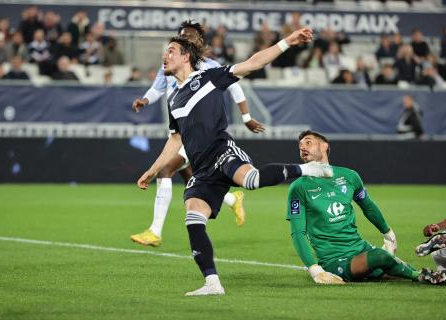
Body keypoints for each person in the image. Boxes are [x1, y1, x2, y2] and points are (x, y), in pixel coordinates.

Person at [137, 27, 334, 296]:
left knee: (251, 181)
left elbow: (254, 62)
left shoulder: (209, 77)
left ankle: (309, 169)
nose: (165, 56)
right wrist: (153, 169)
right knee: (193, 218)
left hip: (222, 152)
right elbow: (175, 140)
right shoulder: (173, 99)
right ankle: (212, 284)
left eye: (171, 51)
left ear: (185, 57)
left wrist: (287, 41)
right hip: (202, 170)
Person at [130, 20, 266, 247]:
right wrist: (144, 100)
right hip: (181, 130)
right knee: (196, 179)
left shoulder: (209, 65)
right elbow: (157, 89)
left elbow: (234, 85)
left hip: (199, 132)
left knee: (166, 169)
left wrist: (246, 117)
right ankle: (232, 199)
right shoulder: (170, 65)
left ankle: (155, 231)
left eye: (191, 36)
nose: (187, 38)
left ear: (199, 41)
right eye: (183, 35)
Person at [286, 130, 446, 285]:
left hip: (360, 248)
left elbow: (368, 206)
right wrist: (315, 269)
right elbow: (297, 233)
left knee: (389, 264)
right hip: (334, 260)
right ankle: (421, 277)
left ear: (324, 146)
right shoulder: (298, 187)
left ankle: (435, 277)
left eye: (308, 142)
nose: (302, 147)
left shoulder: (349, 176)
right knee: (381, 257)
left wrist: (388, 233)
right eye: (300, 145)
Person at [416, 216, 446, 284]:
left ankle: (444, 277)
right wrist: (437, 226)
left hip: (442, 255)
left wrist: (436, 226)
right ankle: (445, 277)